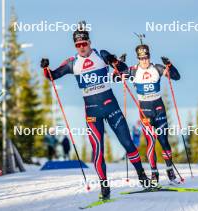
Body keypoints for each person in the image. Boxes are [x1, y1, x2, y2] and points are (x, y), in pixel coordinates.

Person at [40, 21, 151, 200]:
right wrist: (45, 67)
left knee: (128, 143)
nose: (82, 48)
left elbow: (122, 69)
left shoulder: (101, 54)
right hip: (92, 114)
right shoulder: (72, 63)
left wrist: (115, 61)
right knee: (97, 151)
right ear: (75, 46)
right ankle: (104, 188)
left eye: (84, 44)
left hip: (112, 108)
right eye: (78, 45)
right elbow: (52, 76)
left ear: (89, 42)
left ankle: (142, 177)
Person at [117, 42, 181, 185]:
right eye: (141, 58)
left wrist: (170, 65)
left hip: (159, 109)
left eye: (146, 57)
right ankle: (154, 174)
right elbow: (116, 77)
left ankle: (170, 172)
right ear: (138, 59)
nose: (144, 61)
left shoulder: (157, 68)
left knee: (164, 141)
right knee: (150, 143)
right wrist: (120, 64)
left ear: (149, 57)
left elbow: (176, 77)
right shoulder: (133, 71)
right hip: (145, 112)